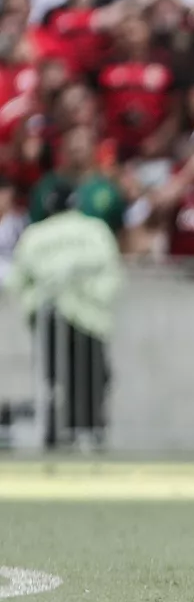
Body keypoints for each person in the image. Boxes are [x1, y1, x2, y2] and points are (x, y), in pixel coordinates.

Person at [6, 180, 121, 450]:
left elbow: (17, 283)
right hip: (89, 318)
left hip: (48, 318)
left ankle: (57, 433)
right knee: (92, 376)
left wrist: (33, 309)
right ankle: (90, 432)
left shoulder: (35, 234)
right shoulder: (95, 230)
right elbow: (112, 272)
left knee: (54, 379)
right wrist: (98, 301)